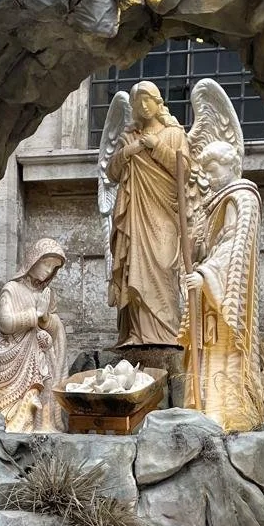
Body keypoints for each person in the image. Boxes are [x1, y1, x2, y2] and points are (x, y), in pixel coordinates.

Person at [179, 140, 262, 430]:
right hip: (211, 295)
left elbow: (233, 246)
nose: (207, 177)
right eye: (204, 170)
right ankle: (206, 411)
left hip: (224, 292)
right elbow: (211, 245)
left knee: (225, 350)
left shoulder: (242, 198)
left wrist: (205, 274)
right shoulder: (217, 202)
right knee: (210, 348)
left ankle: (226, 415)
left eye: (212, 169)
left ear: (231, 166)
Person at [104, 82, 187, 347]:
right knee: (135, 265)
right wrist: (128, 152)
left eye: (147, 99)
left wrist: (157, 147)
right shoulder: (129, 137)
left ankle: (167, 332)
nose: (143, 106)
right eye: (138, 102)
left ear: (157, 101)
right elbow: (111, 173)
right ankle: (137, 334)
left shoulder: (174, 134)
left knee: (163, 265)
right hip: (135, 214)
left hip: (164, 212)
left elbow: (184, 171)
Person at [0, 238, 68, 432]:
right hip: (12, 354)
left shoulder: (46, 294)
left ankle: (42, 422)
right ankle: (11, 419)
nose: (48, 271)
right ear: (32, 260)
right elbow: (5, 323)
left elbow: (53, 329)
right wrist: (35, 315)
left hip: (38, 354)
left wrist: (46, 318)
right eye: (46, 264)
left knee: (46, 376)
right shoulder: (11, 289)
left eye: (53, 268)